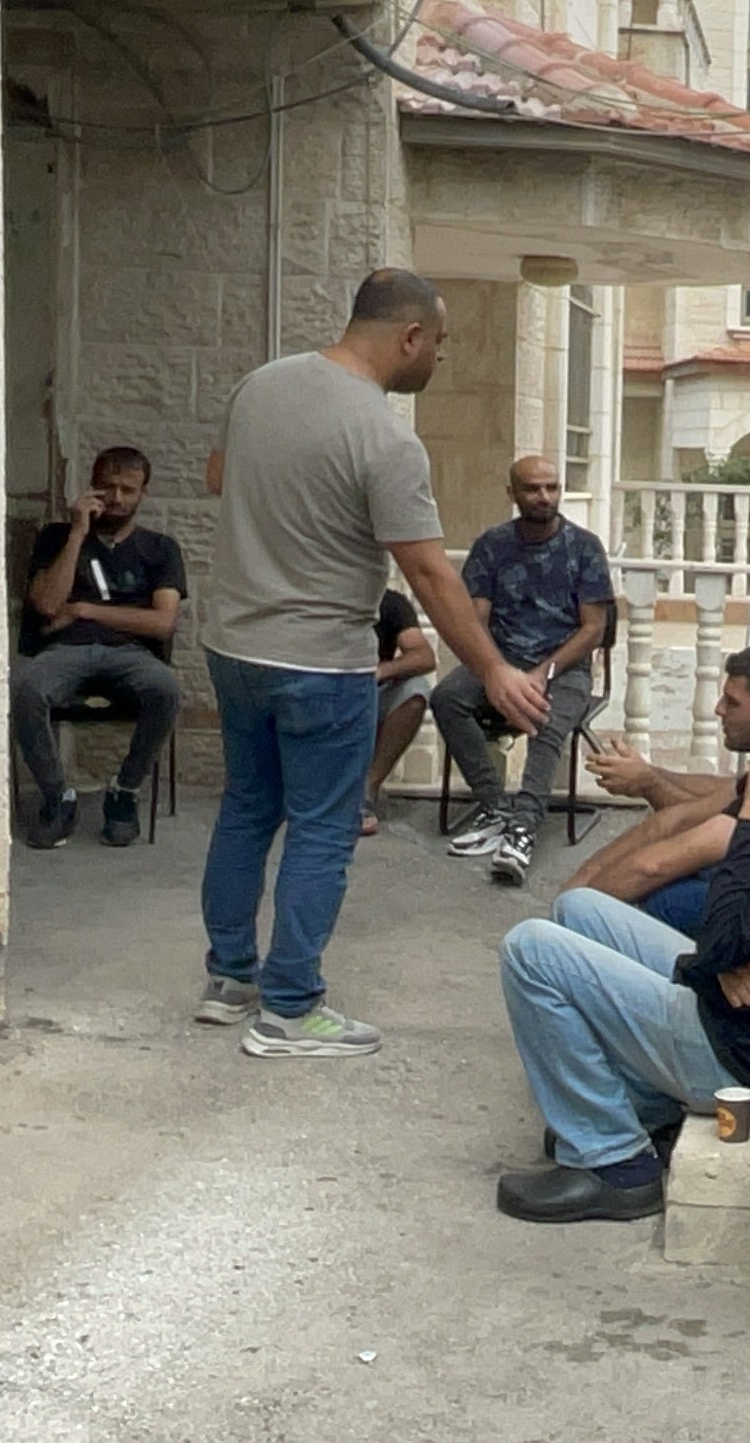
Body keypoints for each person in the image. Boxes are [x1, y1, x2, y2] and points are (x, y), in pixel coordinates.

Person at [195, 268, 548, 1058]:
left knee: (249, 806)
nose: (442, 359)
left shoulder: (261, 385)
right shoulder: (386, 437)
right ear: (410, 337)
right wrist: (492, 668)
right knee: (323, 827)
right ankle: (289, 1009)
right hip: (319, 659)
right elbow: (428, 572)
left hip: (233, 646)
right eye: (442, 343)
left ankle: (229, 981)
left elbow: (220, 478)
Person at [493, 670, 750, 1224]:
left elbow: (721, 937)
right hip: (731, 1003)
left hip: (743, 1054)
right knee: (578, 909)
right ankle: (647, 1106)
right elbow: (723, 927)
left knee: (531, 948)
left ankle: (613, 1161)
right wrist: (726, 958)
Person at [432, 456, 612, 888]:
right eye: (533, 489)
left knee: (545, 720)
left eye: (552, 487)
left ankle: (523, 830)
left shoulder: (584, 547)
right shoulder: (492, 546)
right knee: (446, 698)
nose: (544, 497)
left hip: (564, 668)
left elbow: (594, 629)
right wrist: (499, 673)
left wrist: (540, 674)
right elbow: (475, 620)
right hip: (499, 661)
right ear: (512, 493)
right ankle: (497, 807)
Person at [564, 641, 750, 932]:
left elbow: (654, 865)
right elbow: (675, 820)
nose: (719, 710)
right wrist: (583, 882)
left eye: (733, 703)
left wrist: (573, 911)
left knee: (668, 899)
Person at [9, 446, 186, 849]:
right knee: (26, 688)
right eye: (108, 488)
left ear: (143, 493)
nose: (117, 499)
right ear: (92, 487)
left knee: (165, 689)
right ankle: (58, 796)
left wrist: (86, 609)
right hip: (65, 650)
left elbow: (162, 622)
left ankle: (124, 791)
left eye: (128, 489)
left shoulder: (160, 549)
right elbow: (48, 605)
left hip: (131, 654)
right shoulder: (56, 537)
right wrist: (76, 533)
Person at [360, 586, 435, 838]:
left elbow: (424, 656)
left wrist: (380, 671)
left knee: (416, 692)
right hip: (324, 689)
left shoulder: (390, 602)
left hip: (370, 689)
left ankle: (367, 789)